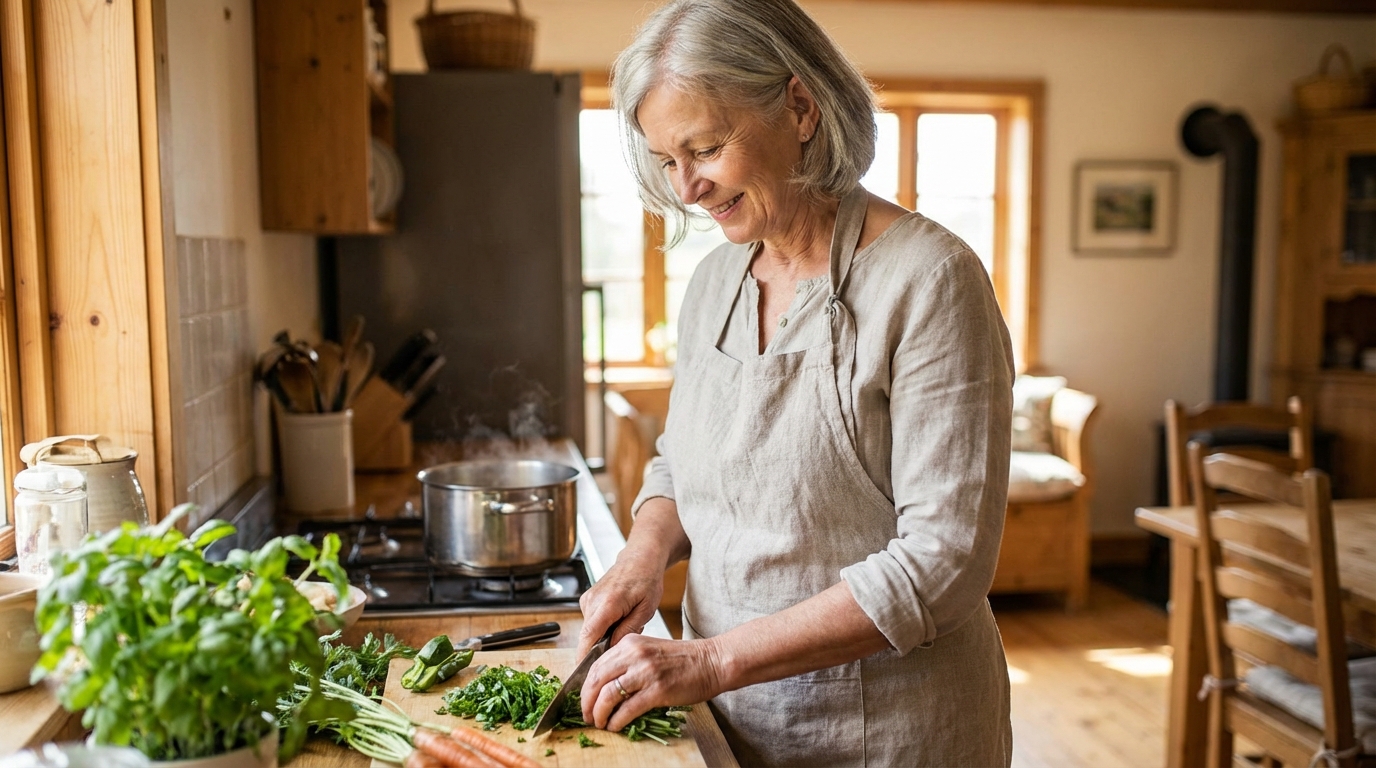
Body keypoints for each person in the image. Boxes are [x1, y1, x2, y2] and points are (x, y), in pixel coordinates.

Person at [576, 1, 1015, 765]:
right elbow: (681, 460)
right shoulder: (714, 281)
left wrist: (710, 660)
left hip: (891, 732)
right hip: (724, 721)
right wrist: (642, 558)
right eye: (665, 160)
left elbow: (943, 563)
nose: (687, 189)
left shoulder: (931, 280)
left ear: (801, 107)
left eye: (705, 148)